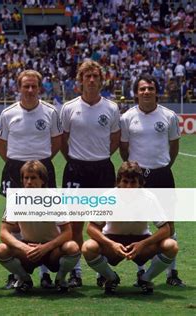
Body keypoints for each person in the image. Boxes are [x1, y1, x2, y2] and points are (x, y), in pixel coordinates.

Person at [0, 70, 62, 289]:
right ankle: (17, 272)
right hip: (14, 167)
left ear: (40, 88)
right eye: (26, 86)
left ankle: (44, 271)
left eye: (34, 86)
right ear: (19, 88)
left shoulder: (51, 112)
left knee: (44, 216)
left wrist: (39, 166)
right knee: (14, 220)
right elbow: (2, 146)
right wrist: (18, 164)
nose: (30, 90)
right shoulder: (8, 113)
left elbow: (57, 142)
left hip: (42, 166)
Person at [59, 60, 120, 287]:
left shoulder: (111, 108)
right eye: (87, 76)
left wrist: (99, 156)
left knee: (102, 224)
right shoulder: (69, 107)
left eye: (95, 76)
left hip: (103, 169)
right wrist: (75, 160)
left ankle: (100, 270)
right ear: (80, 80)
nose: (92, 80)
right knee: (75, 223)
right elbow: (63, 140)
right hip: (75, 169)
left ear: (101, 80)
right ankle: (76, 272)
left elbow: (114, 140)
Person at [120, 74, 184, 287]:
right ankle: (141, 269)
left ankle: (172, 274)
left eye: (150, 88)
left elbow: (174, 147)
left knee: (168, 224)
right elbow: (123, 149)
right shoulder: (127, 117)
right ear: (136, 92)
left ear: (157, 91)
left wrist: (163, 166)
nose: (146, 92)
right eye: (142, 89)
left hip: (162, 174)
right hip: (136, 177)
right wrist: (135, 171)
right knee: (137, 223)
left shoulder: (169, 116)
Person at [82, 161, 179, 294]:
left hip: (141, 241)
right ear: (118, 182)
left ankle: (145, 279)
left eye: (133, 182)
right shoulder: (107, 197)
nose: (129, 186)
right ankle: (111, 278)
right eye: (125, 182)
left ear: (140, 183)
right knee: (88, 247)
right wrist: (111, 244)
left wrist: (143, 244)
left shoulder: (149, 198)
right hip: (112, 241)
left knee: (171, 245)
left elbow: (166, 229)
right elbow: (91, 228)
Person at [0, 160, 81, 293]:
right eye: (26, 178)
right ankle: (25, 279)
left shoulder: (55, 198)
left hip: (52, 249)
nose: (29, 182)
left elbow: (67, 233)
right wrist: (23, 247)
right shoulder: (15, 199)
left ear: (43, 180)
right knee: (2, 249)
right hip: (28, 249)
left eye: (33, 178)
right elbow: (4, 232)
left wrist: (45, 247)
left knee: (72, 247)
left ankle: (61, 279)